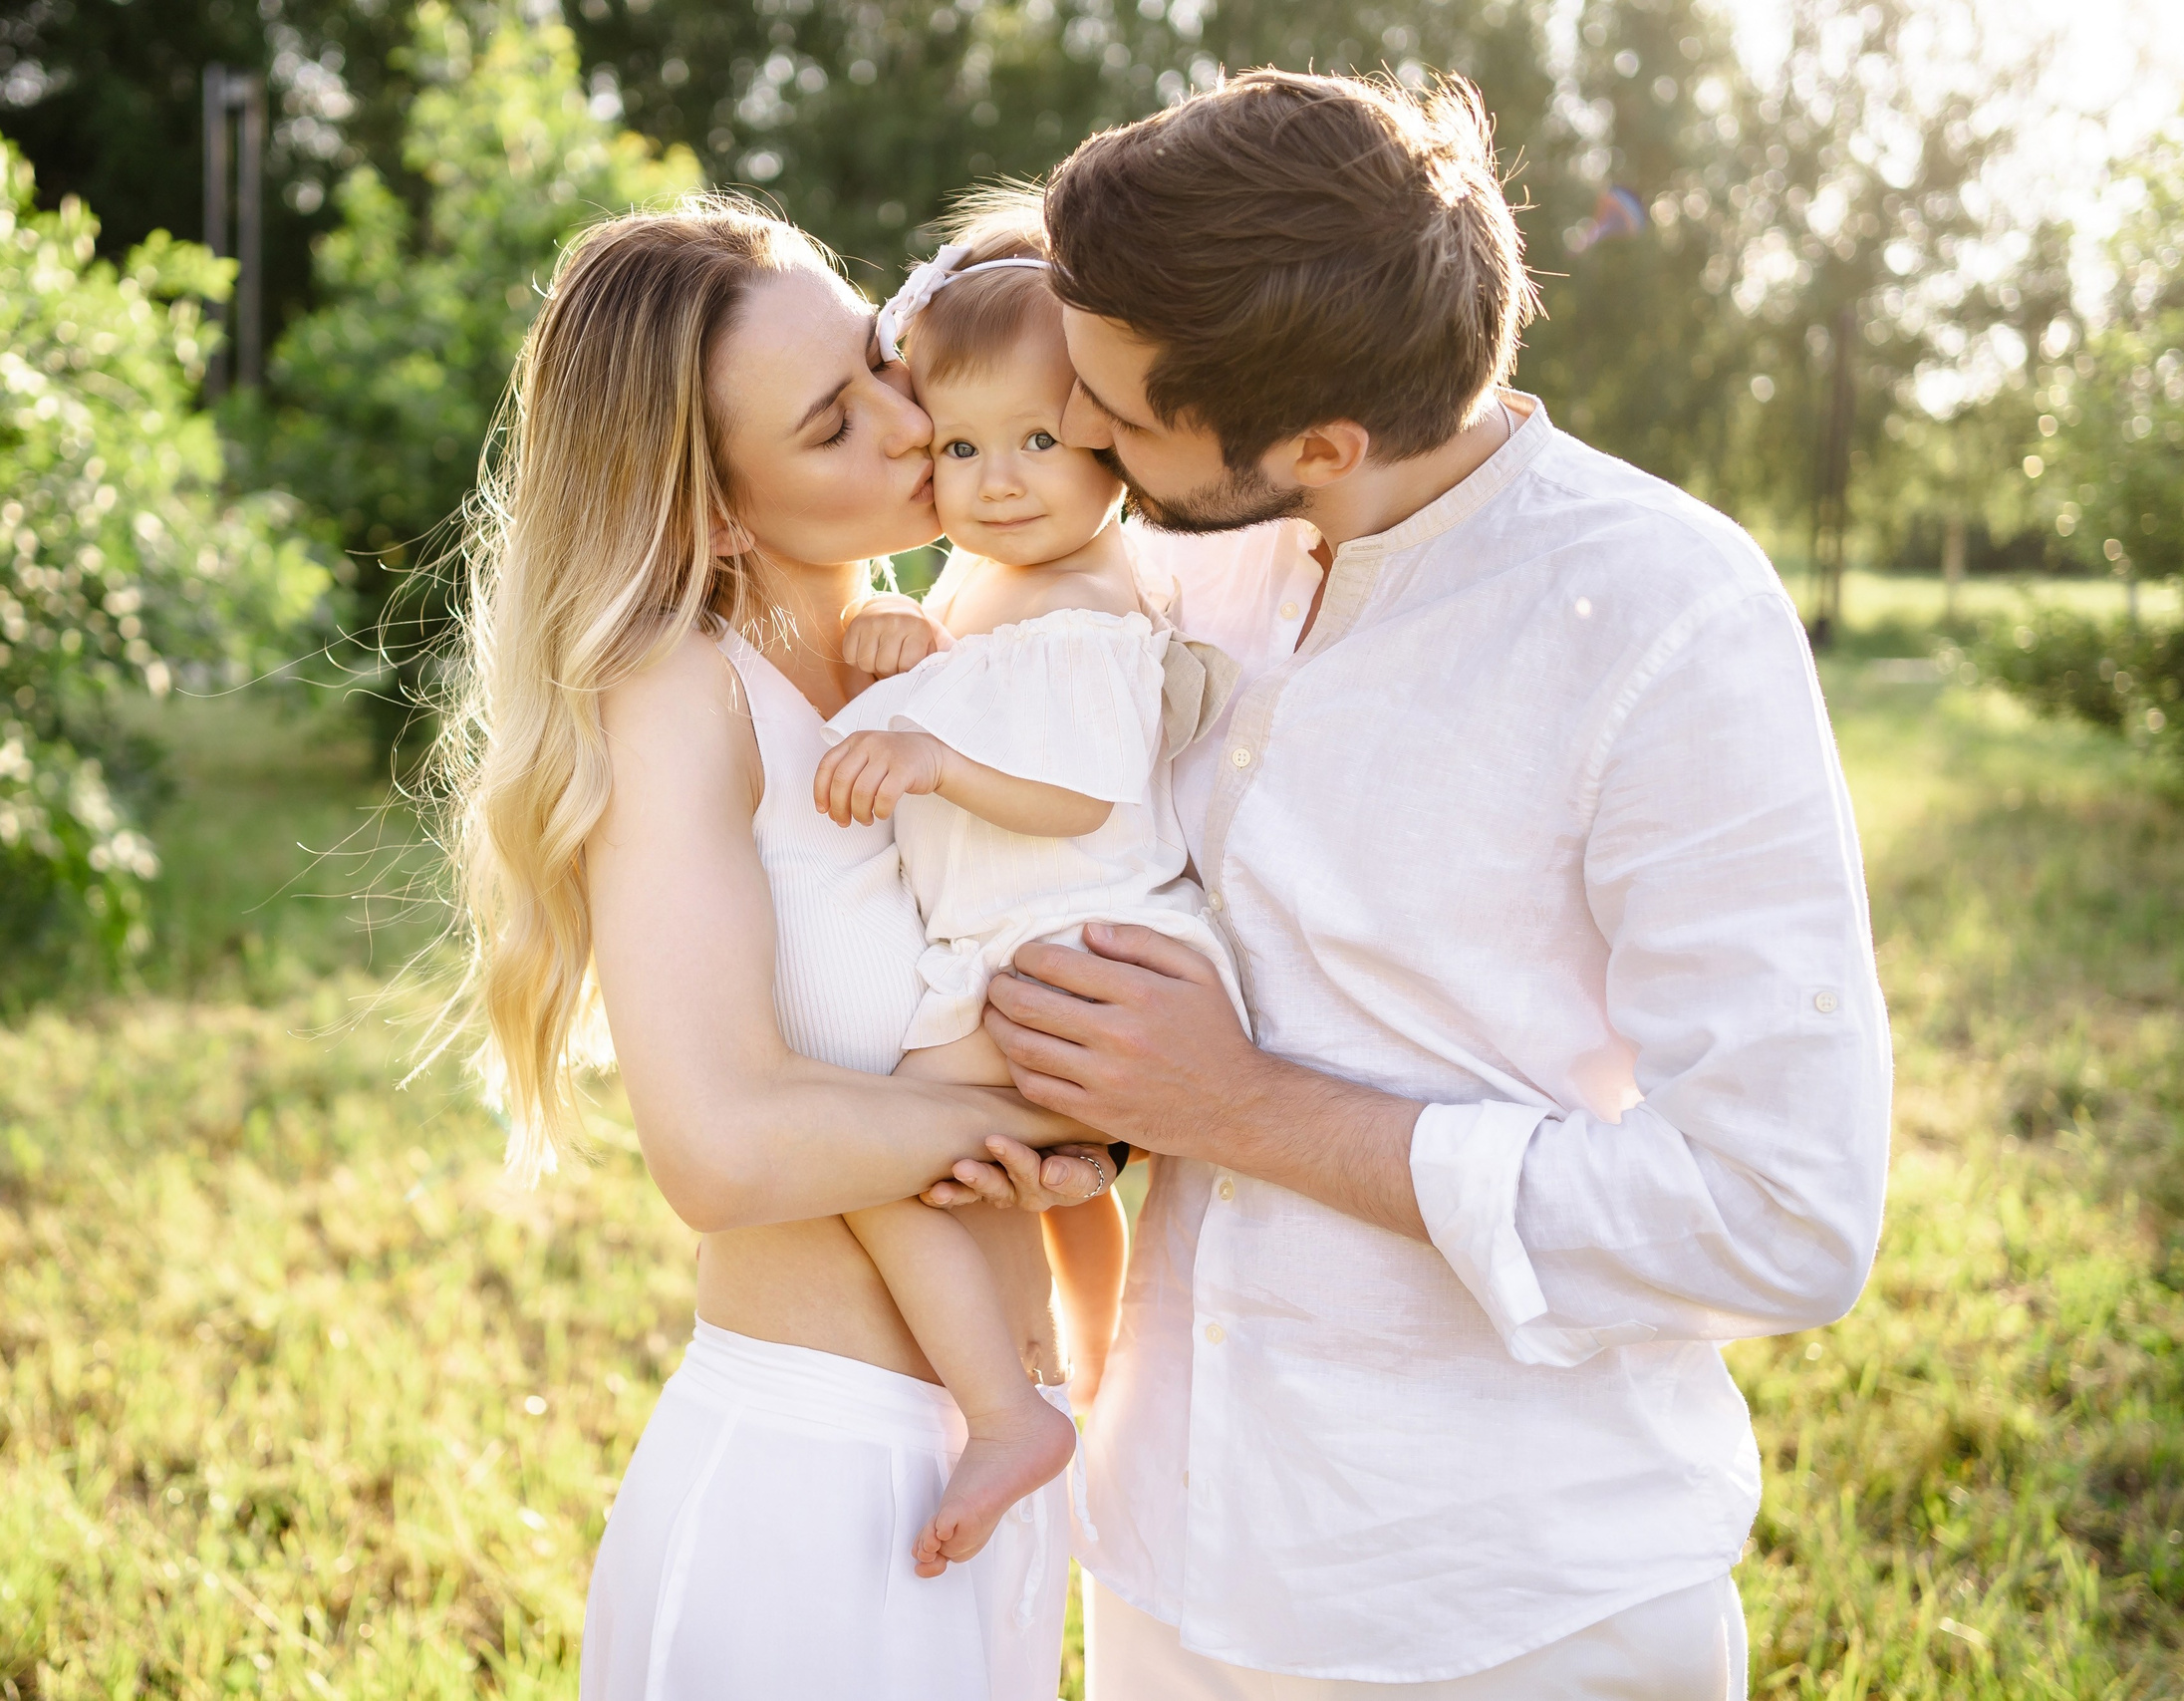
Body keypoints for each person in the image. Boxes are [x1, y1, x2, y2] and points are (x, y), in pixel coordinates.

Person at [944, 69, 1894, 1698]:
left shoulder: (1667, 614)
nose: (1078, 430)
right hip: (1163, 1553)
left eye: (1117, 407)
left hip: (1499, 1603)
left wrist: (1244, 1108)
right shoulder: (1163, 553)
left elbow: (1783, 1212)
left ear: (1320, 440)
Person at [433, 195, 1111, 1699]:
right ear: (715, 509)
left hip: (989, 1470)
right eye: (830, 424)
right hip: (818, 1495)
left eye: (880, 359)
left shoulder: (954, 640)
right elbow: (724, 1149)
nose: (906, 416)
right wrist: (1066, 1115)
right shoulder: (685, 694)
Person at [810, 197, 1247, 1573]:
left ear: (1112, 447)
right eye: (959, 447)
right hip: (1030, 945)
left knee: (854, 1150)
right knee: (1063, 1195)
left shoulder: (1089, 610)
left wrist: (933, 754)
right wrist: (894, 629)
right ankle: (1092, 1363)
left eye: (1040, 442)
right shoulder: (988, 584)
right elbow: (934, 657)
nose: (999, 482)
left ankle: (1011, 1414)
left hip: (1080, 947)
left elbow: (1079, 795)